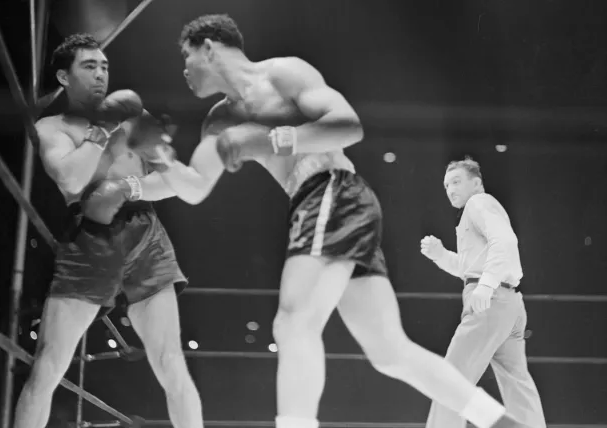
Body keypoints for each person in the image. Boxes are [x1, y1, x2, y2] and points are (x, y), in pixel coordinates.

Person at [134, 14, 522, 428]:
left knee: (294, 321)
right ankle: (499, 422)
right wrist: (153, 164)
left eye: (187, 57)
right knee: (390, 351)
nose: (184, 70)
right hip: (322, 204)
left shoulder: (284, 74)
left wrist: (275, 139)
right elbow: (193, 187)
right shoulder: (219, 121)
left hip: (332, 189)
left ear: (208, 47)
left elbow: (349, 126)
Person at [13, 33, 203, 428]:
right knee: (48, 365)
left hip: (145, 232)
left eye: (104, 66)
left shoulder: (134, 117)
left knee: (171, 362)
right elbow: (70, 181)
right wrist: (101, 130)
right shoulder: (53, 127)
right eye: (89, 66)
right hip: (92, 237)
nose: (101, 74)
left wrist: (129, 186)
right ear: (64, 77)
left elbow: (174, 183)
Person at [420, 157, 547, 428]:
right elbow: (471, 267)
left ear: (476, 183)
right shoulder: (477, 209)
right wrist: (441, 255)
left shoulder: (479, 203)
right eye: (446, 185)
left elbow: (505, 241)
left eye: (456, 181)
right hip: (508, 302)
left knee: (451, 377)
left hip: (490, 300)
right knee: (517, 382)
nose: (450, 189)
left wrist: (486, 286)